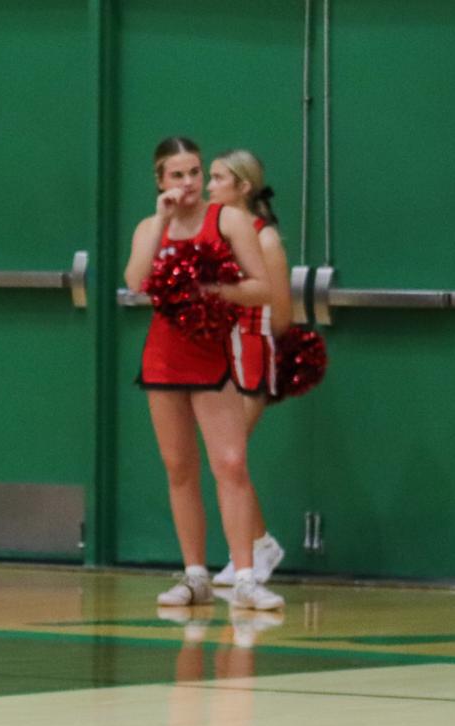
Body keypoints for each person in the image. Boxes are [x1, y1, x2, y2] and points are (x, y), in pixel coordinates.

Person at [123, 136, 281, 612]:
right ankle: (195, 576)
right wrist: (162, 221)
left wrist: (211, 291)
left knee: (231, 465)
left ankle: (248, 576)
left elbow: (261, 288)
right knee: (179, 469)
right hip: (164, 359)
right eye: (178, 175)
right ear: (160, 181)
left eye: (195, 172)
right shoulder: (151, 227)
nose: (190, 182)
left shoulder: (228, 221)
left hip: (214, 357)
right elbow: (135, 281)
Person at [203, 149, 291, 587]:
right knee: (225, 461)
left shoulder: (265, 238)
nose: (209, 185)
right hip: (213, 354)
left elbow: (282, 314)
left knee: (230, 458)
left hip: (251, 354)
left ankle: (255, 551)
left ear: (243, 186)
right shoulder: (210, 232)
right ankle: (257, 546)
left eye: (218, 178)